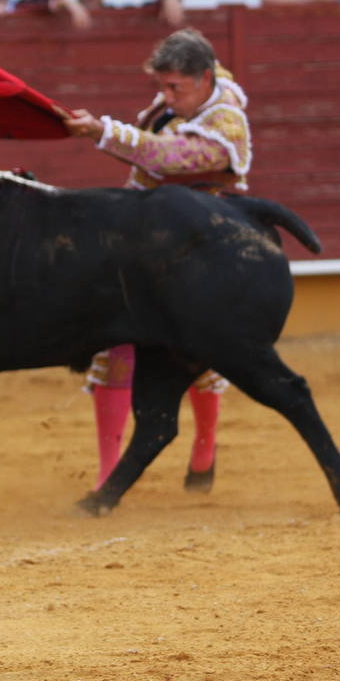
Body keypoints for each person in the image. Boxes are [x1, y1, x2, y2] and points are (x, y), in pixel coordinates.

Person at [62, 28, 251, 494]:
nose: (165, 98)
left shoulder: (227, 127)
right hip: (142, 238)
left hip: (196, 247)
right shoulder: (195, 91)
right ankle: (108, 471)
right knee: (115, 344)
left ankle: (204, 450)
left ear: (205, 79)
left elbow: (166, 157)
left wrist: (101, 130)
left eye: (175, 89)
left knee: (199, 352)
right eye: (162, 86)